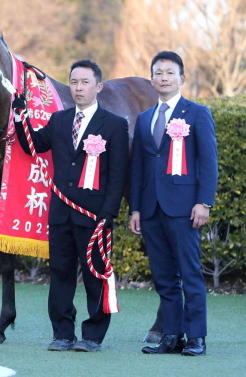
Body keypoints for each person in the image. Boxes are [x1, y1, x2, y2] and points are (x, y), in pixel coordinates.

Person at [12, 59, 129, 352]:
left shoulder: (115, 125)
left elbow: (117, 175)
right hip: (61, 214)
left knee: (95, 276)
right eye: (74, 82)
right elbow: (33, 145)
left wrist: (108, 214)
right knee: (61, 275)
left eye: (85, 82)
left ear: (98, 87)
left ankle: (92, 336)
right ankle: (62, 333)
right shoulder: (59, 120)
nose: (78, 87)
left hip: (94, 215)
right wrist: (19, 117)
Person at [130, 51, 218, 356]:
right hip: (151, 209)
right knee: (164, 277)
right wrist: (136, 208)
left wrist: (204, 202)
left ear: (182, 78)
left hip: (184, 207)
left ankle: (196, 338)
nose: (163, 78)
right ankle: (171, 336)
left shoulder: (197, 113)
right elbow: (139, 167)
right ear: (151, 78)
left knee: (190, 274)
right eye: (158, 73)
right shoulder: (144, 118)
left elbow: (208, 162)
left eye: (169, 73)